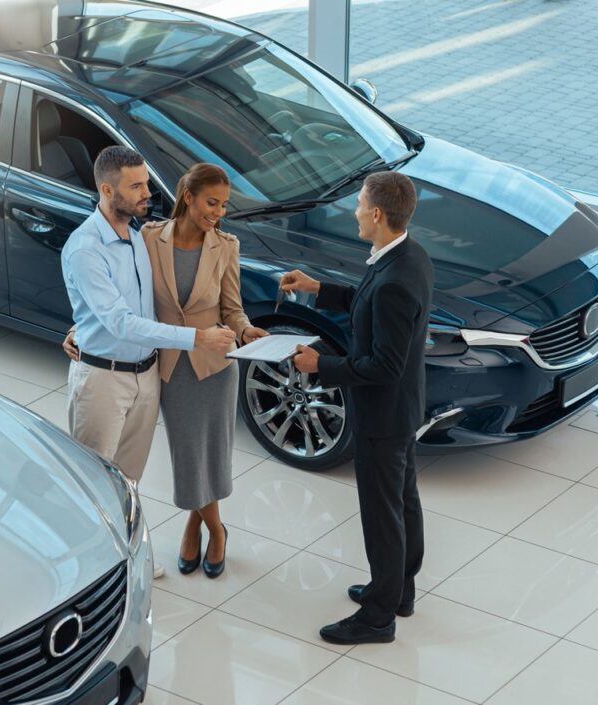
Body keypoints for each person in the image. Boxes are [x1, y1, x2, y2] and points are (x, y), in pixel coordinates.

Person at [61, 146, 236, 580]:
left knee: (128, 482)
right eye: (135, 185)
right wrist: (196, 337)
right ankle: (92, 575)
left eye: (144, 182)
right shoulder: (87, 248)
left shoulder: (137, 236)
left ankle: (128, 561)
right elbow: (118, 320)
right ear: (107, 190)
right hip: (104, 378)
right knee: (94, 482)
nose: (146, 192)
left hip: (146, 375)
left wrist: (77, 326)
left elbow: (137, 307)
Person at [281, 171, 432, 645]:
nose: (354, 211)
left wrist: (320, 365)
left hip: (382, 417)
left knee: (382, 516)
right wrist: (318, 288)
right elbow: (369, 304)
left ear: (378, 214)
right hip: (404, 410)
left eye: (360, 203)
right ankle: (399, 590)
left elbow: (382, 365)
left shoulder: (393, 281)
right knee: (403, 503)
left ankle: (377, 617)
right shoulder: (408, 255)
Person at [142, 163, 268, 578]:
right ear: (188, 196)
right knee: (187, 455)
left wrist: (246, 330)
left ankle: (198, 526)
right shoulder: (147, 239)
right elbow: (131, 302)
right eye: (211, 203)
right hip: (172, 367)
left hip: (216, 367)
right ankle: (216, 527)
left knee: (211, 454)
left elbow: (231, 308)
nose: (218, 212)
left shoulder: (225, 246)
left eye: (224, 205)